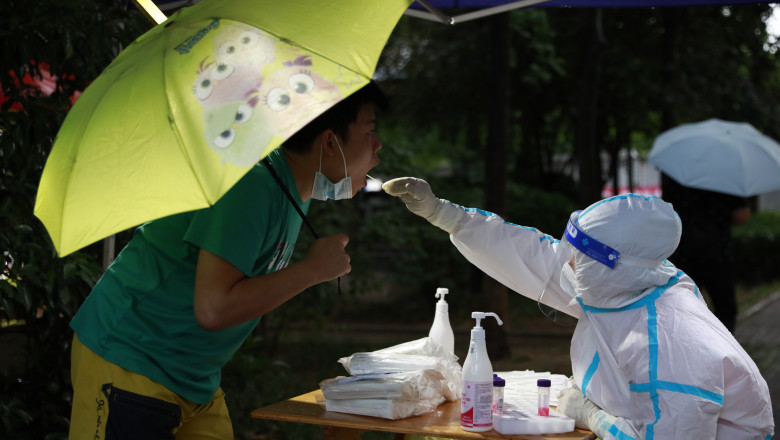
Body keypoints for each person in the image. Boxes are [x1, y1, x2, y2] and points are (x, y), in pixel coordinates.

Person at [68, 82, 387, 439]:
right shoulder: (251, 184)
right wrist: (312, 271)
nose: (378, 147)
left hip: (191, 377)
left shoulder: (289, 186)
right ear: (329, 143)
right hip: (132, 358)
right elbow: (214, 309)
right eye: (370, 132)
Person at [383, 177, 774, 440]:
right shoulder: (628, 281)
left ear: (613, 264)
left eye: (578, 257)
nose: (565, 263)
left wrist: (593, 416)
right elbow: (530, 253)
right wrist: (444, 214)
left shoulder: (676, 347)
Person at [660, 173, 752, 332]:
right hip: (717, 254)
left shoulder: (677, 178)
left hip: (683, 253)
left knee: (682, 306)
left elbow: (666, 213)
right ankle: (722, 348)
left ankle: (687, 346)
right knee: (725, 309)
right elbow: (742, 216)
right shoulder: (724, 180)